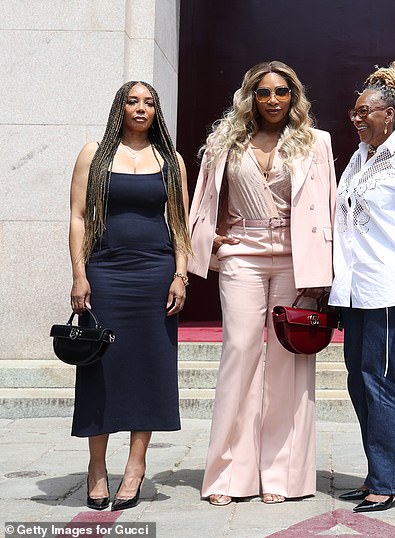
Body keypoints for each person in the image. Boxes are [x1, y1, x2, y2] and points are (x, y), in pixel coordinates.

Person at [188, 61, 336, 506]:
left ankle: (280, 476)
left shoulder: (317, 142)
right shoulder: (223, 142)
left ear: (294, 97)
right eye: (264, 92)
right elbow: (203, 199)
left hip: (296, 260)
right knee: (239, 356)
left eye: (282, 92)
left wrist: (325, 272)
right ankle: (228, 476)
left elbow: (328, 206)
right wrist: (207, 237)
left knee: (287, 366)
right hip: (242, 255)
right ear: (249, 96)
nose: (273, 100)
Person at [68, 81, 191, 511]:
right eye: (132, 101)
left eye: (149, 102)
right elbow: (79, 216)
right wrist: (79, 274)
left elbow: (179, 223)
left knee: (149, 369)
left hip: (155, 276)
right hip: (105, 271)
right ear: (119, 107)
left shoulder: (170, 159)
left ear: (157, 111)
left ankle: (135, 468)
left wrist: (180, 274)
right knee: (99, 367)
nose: (141, 108)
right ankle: (96, 468)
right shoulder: (94, 154)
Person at [329, 62, 395, 513]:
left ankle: (390, 482)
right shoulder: (357, 158)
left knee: (385, 382)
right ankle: (377, 473)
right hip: (354, 292)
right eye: (354, 111)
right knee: (359, 382)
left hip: (391, 294)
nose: (356, 118)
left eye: (364, 111)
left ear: (389, 114)